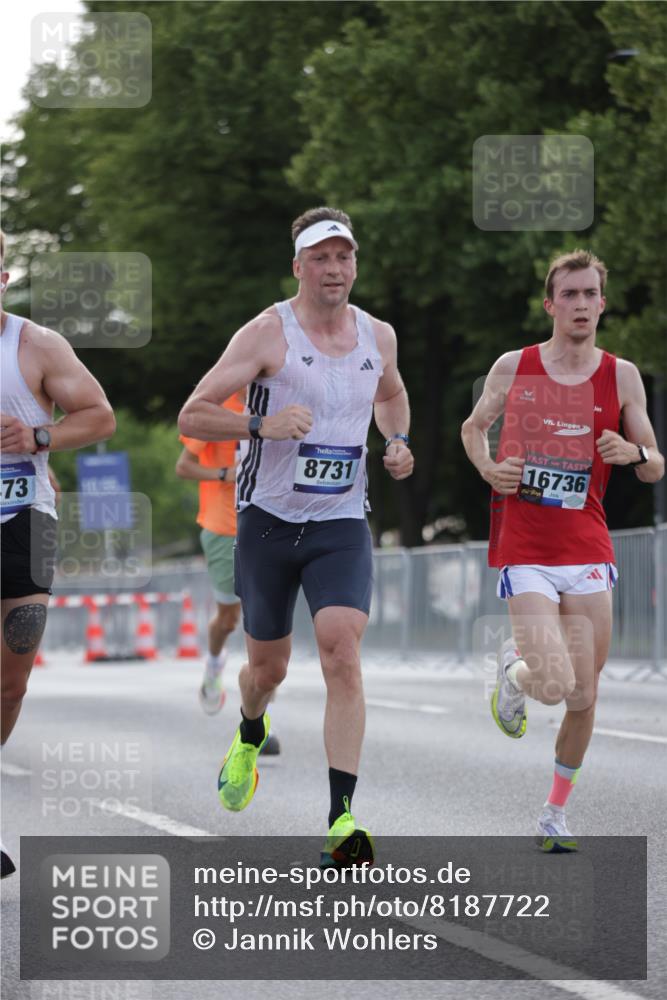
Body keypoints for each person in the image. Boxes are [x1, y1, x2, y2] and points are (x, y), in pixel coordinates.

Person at [178, 207, 414, 866]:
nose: (333, 269)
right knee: (267, 669)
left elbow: (390, 394)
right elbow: (191, 411)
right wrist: (262, 426)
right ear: (298, 267)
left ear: (354, 264)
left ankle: (342, 819)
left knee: (342, 651)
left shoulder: (378, 335)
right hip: (266, 521)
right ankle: (250, 728)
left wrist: (395, 440)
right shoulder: (265, 335)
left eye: (343, 257)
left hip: (339, 520)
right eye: (320, 258)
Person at [461, 249, 664, 852]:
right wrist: (491, 469)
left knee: (584, 694)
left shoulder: (621, 375)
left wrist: (635, 455)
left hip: (588, 545)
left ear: (603, 302)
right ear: (551, 304)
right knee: (553, 684)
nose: (580, 305)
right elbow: (473, 429)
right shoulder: (515, 366)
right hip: (525, 546)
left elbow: (655, 463)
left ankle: (553, 814)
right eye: (568, 295)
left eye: (589, 294)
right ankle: (515, 673)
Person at [0, 229, 116, 877]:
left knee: (11, 681)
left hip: (28, 523)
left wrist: (38, 432)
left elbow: (99, 417)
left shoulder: (36, 345)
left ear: (3, 277)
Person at [176, 396, 281, 754]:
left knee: (267, 624)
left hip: (269, 524)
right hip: (224, 527)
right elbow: (183, 467)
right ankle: (214, 663)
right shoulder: (218, 403)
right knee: (228, 618)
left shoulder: (280, 397)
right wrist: (224, 474)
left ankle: (260, 719)